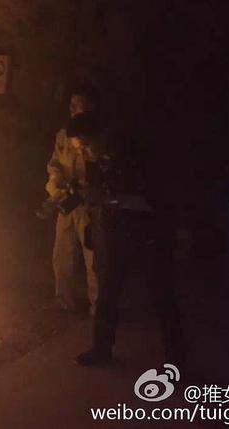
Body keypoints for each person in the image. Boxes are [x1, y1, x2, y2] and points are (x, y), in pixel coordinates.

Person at [66, 113, 185, 366]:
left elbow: (153, 198)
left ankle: (177, 360)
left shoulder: (133, 153)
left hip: (148, 234)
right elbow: (96, 195)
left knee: (161, 295)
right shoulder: (96, 162)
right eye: (79, 149)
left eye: (85, 145)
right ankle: (101, 349)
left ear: (102, 135)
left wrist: (110, 200)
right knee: (107, 293)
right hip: (113, 234)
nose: (84, 152)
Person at [44, 85, 100, 314]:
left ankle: (99, 306)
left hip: (89, 205)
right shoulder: (63, 135)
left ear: (90, 107)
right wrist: (56, 185)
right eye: (72, 104)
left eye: (78, 105)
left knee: (93, 257)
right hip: (67, 202)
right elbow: (55, 164)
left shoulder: (97, 136)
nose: (72, 108)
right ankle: (63, 300)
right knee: (62, 254)